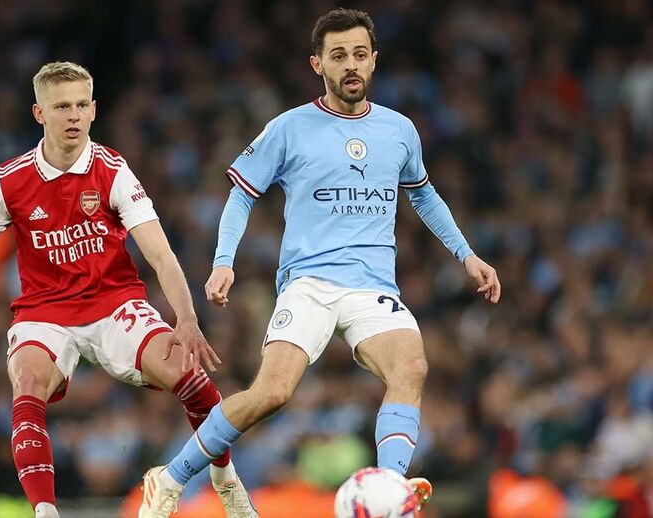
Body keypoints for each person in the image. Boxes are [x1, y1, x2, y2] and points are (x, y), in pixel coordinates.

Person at [139, 8, 501, 516]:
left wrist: (466, 254)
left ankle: (387, 489)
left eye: (359, 54)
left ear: (373, 61)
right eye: (338, 56)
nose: (350, 64)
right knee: (272, 392)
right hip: (309, 282)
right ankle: (170, 476)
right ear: (318, 64)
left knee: (411, 365)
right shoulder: (289, 128)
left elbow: (423, 195)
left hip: (373, 287)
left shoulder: (399, 130)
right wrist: (224, 261)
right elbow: (241, 194)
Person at [0, 62, 257, 518]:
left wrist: (186, 319)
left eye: (81, 105)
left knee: (190, 375)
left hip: (114, 304)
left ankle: (225, 477)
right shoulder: (10, 181)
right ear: (39, 113)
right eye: (61, 106)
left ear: (93, 110)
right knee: (27, 383)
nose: (73, 115)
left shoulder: (113, 171)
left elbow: (161, 255)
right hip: (45, 312)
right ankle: (45, 512)